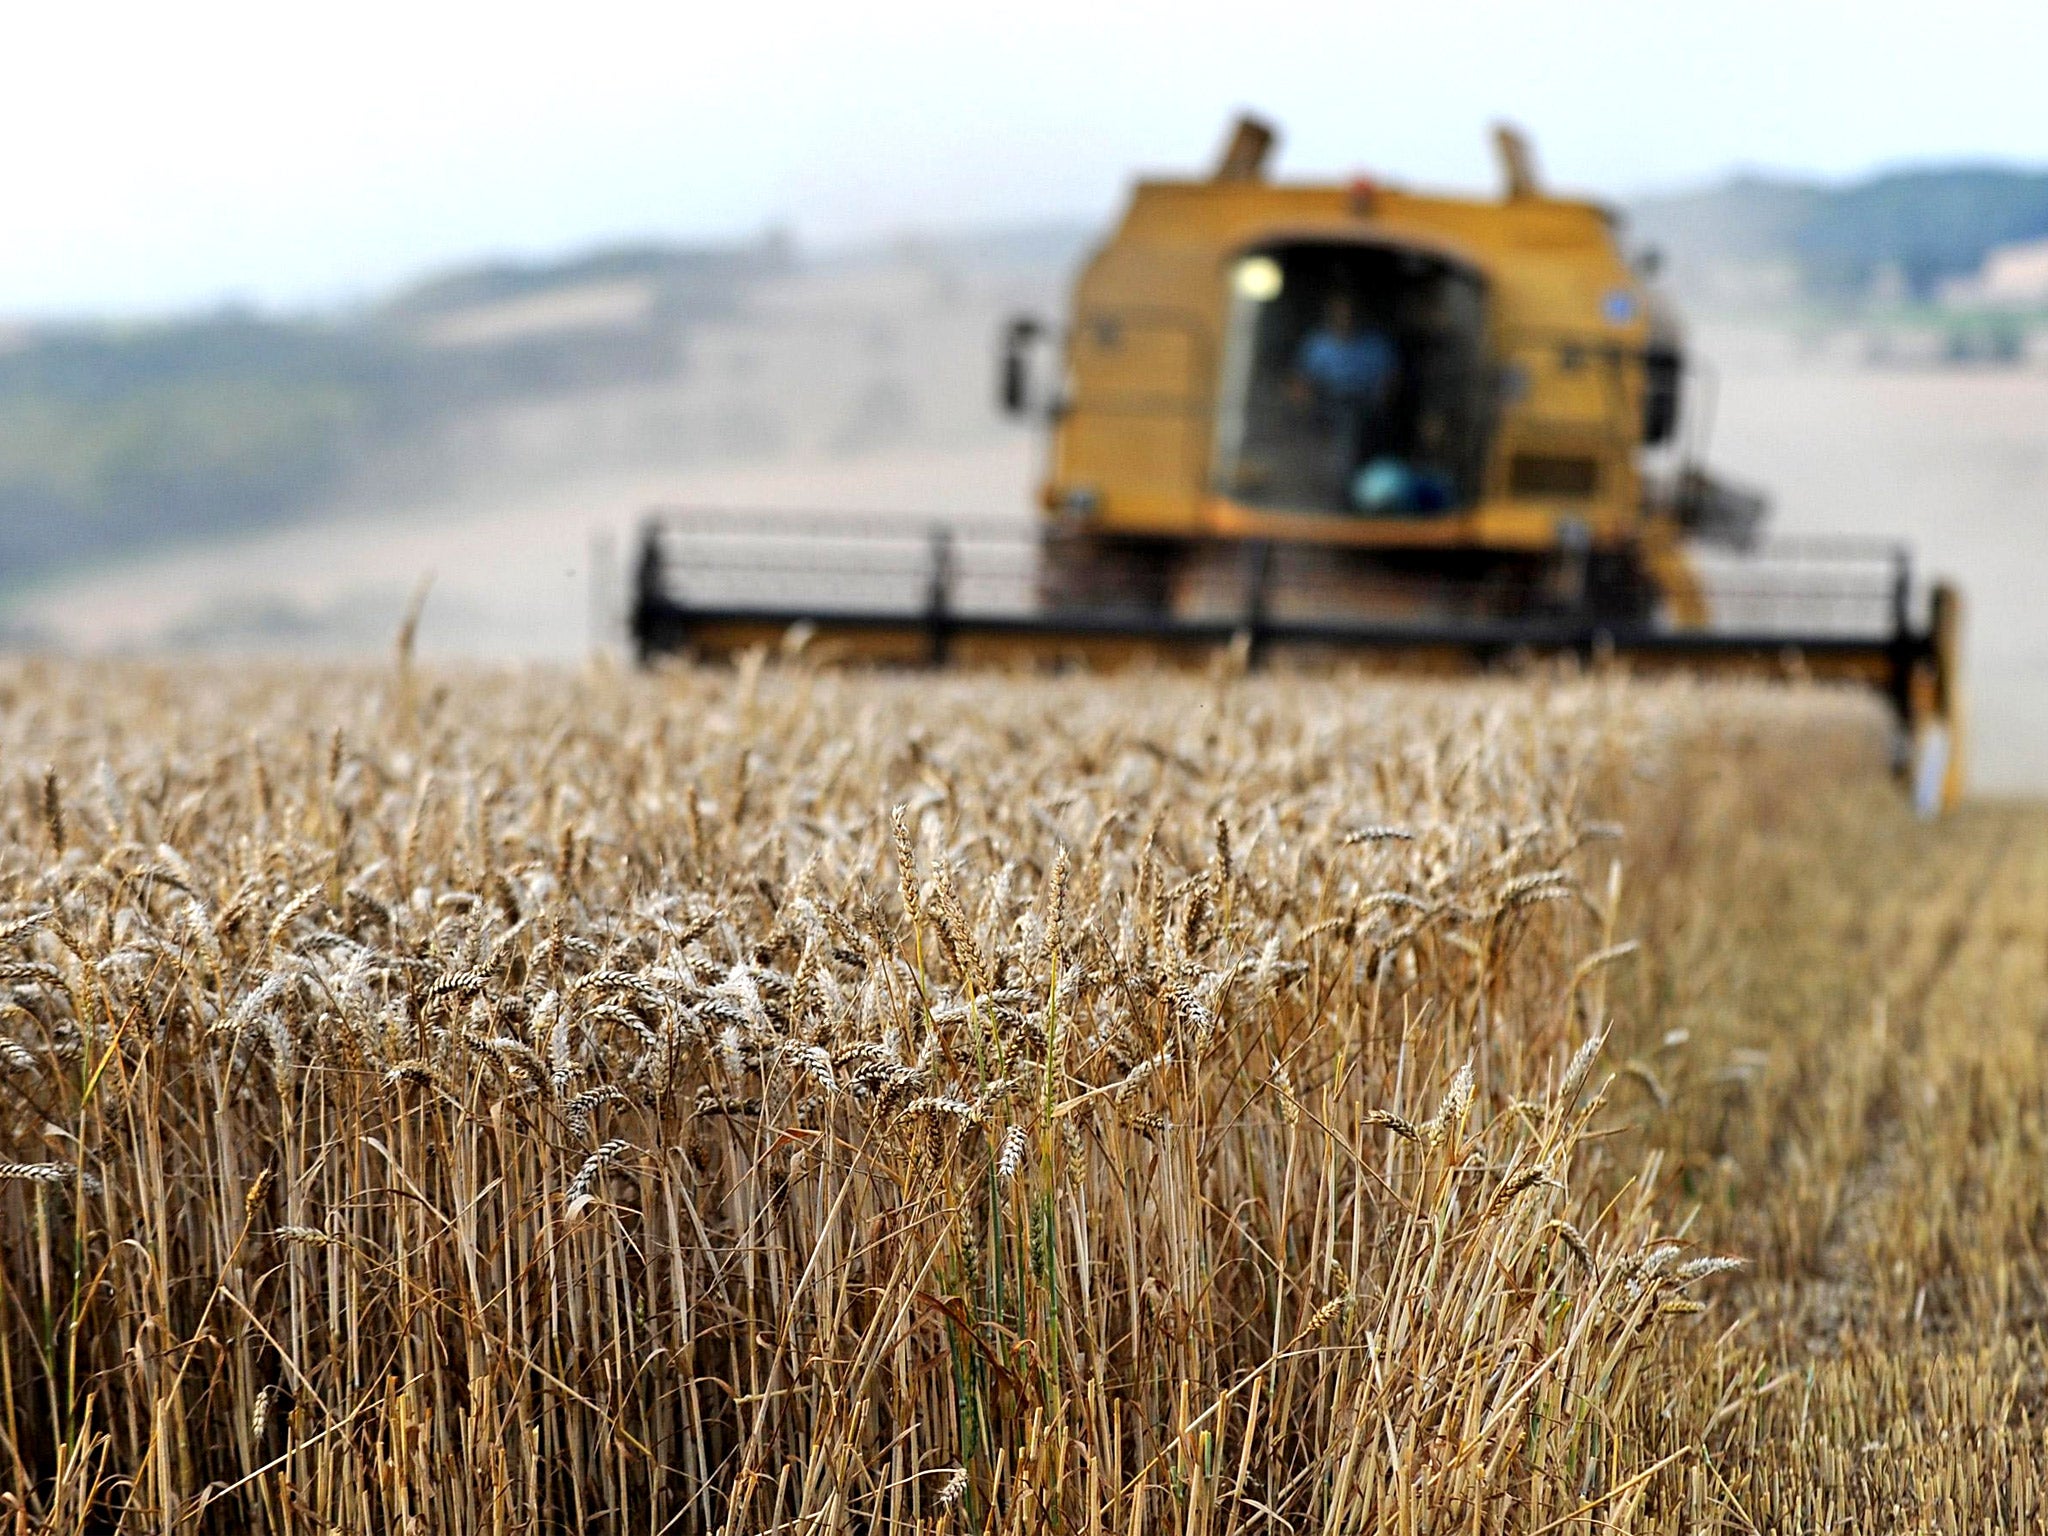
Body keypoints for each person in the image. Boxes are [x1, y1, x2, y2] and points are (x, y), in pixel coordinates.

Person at [1289, 295, 1398, 510]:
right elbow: (1300, 381)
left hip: (1363, 407)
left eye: (1349, 314)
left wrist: (1381, 403)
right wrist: (1303, 407)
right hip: (1325, 404)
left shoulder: (1374, 345)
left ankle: (1348, 491)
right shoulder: (1318, 343)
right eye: (1339, 314)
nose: (1345, 319)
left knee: (1352, 430)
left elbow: (1390, 379)